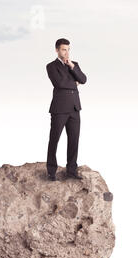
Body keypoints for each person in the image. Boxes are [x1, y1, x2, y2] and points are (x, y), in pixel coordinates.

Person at [45, 38, 87, 181]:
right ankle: (51, 171)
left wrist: (72, 67)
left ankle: (71, 170)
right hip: (60, 108)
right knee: (54, 139)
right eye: (64, 49)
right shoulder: (51, 66)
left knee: (74, 140)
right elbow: (60, 83)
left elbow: (84, 79)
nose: (67, 52)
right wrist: (74, 83)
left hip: (75, 108)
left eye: (68, 49)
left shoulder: (74, 65)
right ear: (57, 50)